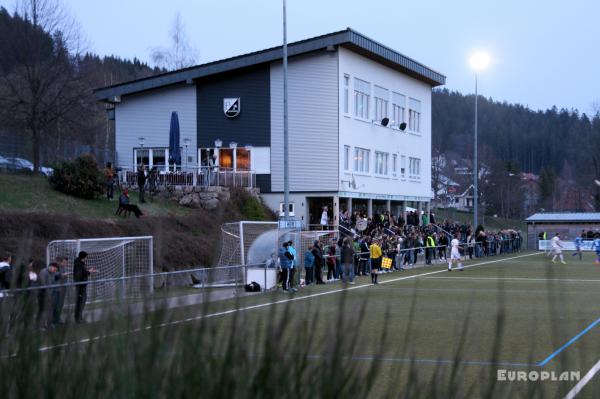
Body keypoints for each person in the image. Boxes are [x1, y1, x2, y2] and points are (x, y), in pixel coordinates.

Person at [73, 251, 96, 323]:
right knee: (80, 302)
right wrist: (89, 272)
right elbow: (80, 275)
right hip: (80, 286)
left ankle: (79, 317)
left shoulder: (80, 264)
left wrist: (88, 271)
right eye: (86, 257)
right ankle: (78, 319)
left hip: (82, 285)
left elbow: (82, 273)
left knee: (82, 301)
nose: (86, 258)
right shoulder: (78, 264)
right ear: (84, 257)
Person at [37, 262, 58, 329]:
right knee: (42, 310)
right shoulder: (43, 272)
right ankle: (40, 325)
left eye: (56, 270)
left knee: (49, 309)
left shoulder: (53, 273)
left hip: (50, 294)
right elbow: (43, 284)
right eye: (54, 269)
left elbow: (53, 281)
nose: (55, 271)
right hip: (42, 294)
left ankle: (48, 324)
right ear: (51, 266)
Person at [52, 256, 70, 326]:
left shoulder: (63, 268)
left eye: (66, 262)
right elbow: (54, 276)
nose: (65, 264)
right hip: (57, 290)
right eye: (64, 262)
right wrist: (61, 275)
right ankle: (53, 321)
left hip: (62, 289)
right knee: (55, 305)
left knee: (60, 305)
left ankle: (58, 319)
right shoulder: (55, 267)